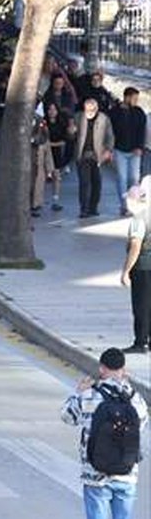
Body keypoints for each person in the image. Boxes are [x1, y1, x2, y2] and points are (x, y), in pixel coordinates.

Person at [61, 347, 148, 519]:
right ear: (123, 370)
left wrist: (78, 392)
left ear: (102, 369)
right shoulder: (136, 400)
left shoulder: (90, 396)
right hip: (127, 474)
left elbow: (67, 416)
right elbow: (142, 425)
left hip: (95, 475)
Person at [120, 178, 151, 355]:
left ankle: (140, 342)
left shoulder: (139, 219)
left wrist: (126, 271)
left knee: (141, 306)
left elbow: (135, 245)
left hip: (143, 268)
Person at [75, 98, 115, 218]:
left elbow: (110, 136)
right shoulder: (78, 117)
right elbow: (71, 135)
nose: (90, 112)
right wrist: (71, 132)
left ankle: (93, 208)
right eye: (87, 110)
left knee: (96, 183)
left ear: (96, 109)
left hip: (98, 155)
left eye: (92, 110)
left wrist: (108, 150)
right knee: (84, 183)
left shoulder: (103, 119)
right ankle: (84, 209)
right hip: (82, 155)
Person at [110, 88, 146, 215]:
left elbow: (142, 131)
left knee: (134, 179)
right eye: (134, 98)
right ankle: (124, 206)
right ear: (126, 97)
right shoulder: (115, 111)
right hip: (119, 150)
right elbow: (111, 130)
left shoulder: (139, 112)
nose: (136, 101)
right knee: (122, 178)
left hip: (135, 150)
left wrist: (140, 147)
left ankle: (133, 205)